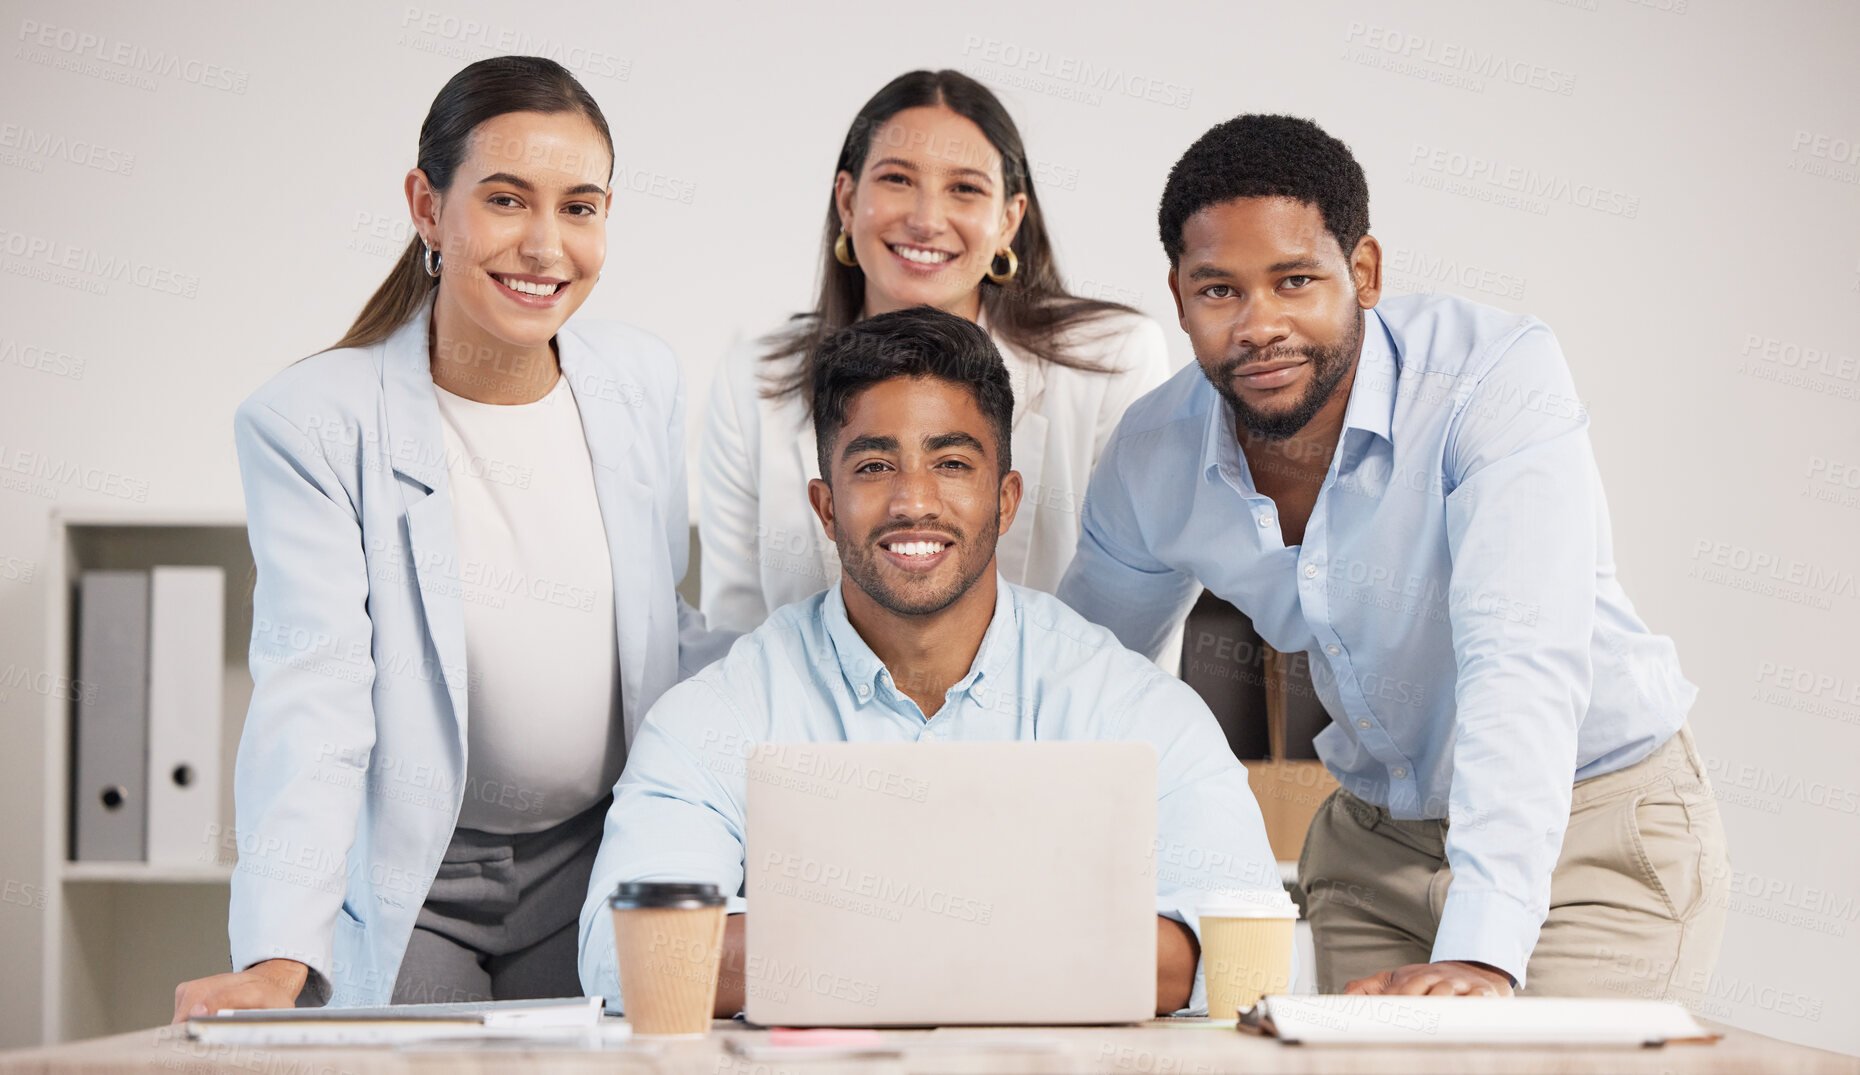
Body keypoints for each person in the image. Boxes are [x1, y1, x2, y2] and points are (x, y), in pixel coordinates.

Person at [1057, 115, 1728, 1001]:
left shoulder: (1493, 380)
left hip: (1589, 830)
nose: (1260, 326)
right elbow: (1075, 678)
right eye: (1220, 291)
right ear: (1179, 297)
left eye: (1295, 281)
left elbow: (1516, 661)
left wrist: (1483, 948)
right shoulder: (1154, 455)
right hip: (1375, 850)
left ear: (1363, 272)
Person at [171, 56, 730, 1019]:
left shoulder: (641, 379)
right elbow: (315, 696)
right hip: (422, 874)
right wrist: (275, 956)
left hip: (600, 858)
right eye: (507, 200)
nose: (546, 245)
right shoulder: (310, 421)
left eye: (581, 207)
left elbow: (656, 627)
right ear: (427, 208)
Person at [578, 307, 1281, 1016]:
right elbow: (634, 954)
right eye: (876, 465)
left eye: (951, 463)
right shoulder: (719, 710)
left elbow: (1237, 949)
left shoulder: (1130, 705)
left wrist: (860, 939)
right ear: (826, 507)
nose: (913, 501)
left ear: (1005, 500)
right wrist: (1010, 936)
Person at [699, 69, 1172, 638]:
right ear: (847, 201)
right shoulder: (752, 381)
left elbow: (1129, 643)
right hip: (812, 726)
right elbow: (734, 637)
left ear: (1008, 220)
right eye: (897, 179)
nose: (926, 220)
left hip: (1056, 725)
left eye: (965, 188)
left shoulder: (1115, 361)